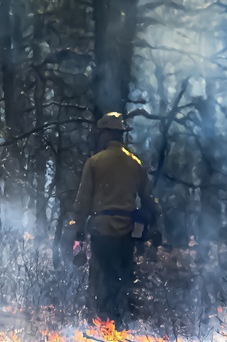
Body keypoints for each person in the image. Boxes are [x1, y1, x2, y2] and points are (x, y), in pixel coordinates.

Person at [70, 112, 163, 326]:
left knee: (100, 281)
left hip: (102, 232)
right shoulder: (135, 163)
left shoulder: (94, 162)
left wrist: (78, 230)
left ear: (106, 133)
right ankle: (120, 325)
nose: (99, 137)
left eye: (101, 133)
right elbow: (149, 200)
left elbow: (82, 201)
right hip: (127, 234)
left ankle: (103, 324)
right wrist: (155, 226)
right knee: (122, 280)